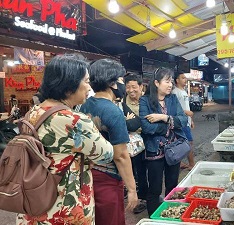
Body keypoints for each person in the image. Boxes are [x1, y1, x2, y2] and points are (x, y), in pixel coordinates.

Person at [16, 54, 114, 224]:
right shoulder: (75, 120)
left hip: (32, 200)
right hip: (64, 207)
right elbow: (106, 154)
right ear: (69, 87)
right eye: (86, 81)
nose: (89, 87)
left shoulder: (33, 112)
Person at [79, 59, 138, 225]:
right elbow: (120, 155)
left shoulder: (84, 106)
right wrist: (132, 189)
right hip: (109, 178)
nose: (124, 85)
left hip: (87, 174)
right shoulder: (113, 111)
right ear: (112, 83)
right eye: (121, 80)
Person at [139, 67, 188, 216]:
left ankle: (171, 215)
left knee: (172, 185)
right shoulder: (145, 100)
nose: (170, 84)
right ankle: (154, 218)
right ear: (156, 83)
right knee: (154, 188)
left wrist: (163, 118)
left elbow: (184, 120)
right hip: (155, 150)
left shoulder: (172, 99)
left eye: (171, 81)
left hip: (173, 150)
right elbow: (146, 127)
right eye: (167, 81)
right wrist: (169, 127)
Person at [122, 73, 148, 214]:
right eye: (128, 87)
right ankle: (136, 196)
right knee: (133, 170)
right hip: (131, 142)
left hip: (146, 138)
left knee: (144, 169)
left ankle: (144, 196)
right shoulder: (123, 102)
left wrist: (133, 122)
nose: (131, 90)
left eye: (134, 87)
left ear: (141, 86)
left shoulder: (147, 100)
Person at [172, 71, 195, 169]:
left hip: (187, 121)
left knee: (182, 142)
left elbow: (186, 106)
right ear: (177, 80)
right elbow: (174, 108)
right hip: (181, 122)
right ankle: (191, 164)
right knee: (188, 142)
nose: (185, 80)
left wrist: (191, 120)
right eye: (183, 78)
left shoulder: (184, 91)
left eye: (185, 78)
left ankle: (180, 163)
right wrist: (186, 112)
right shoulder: (175, 92)